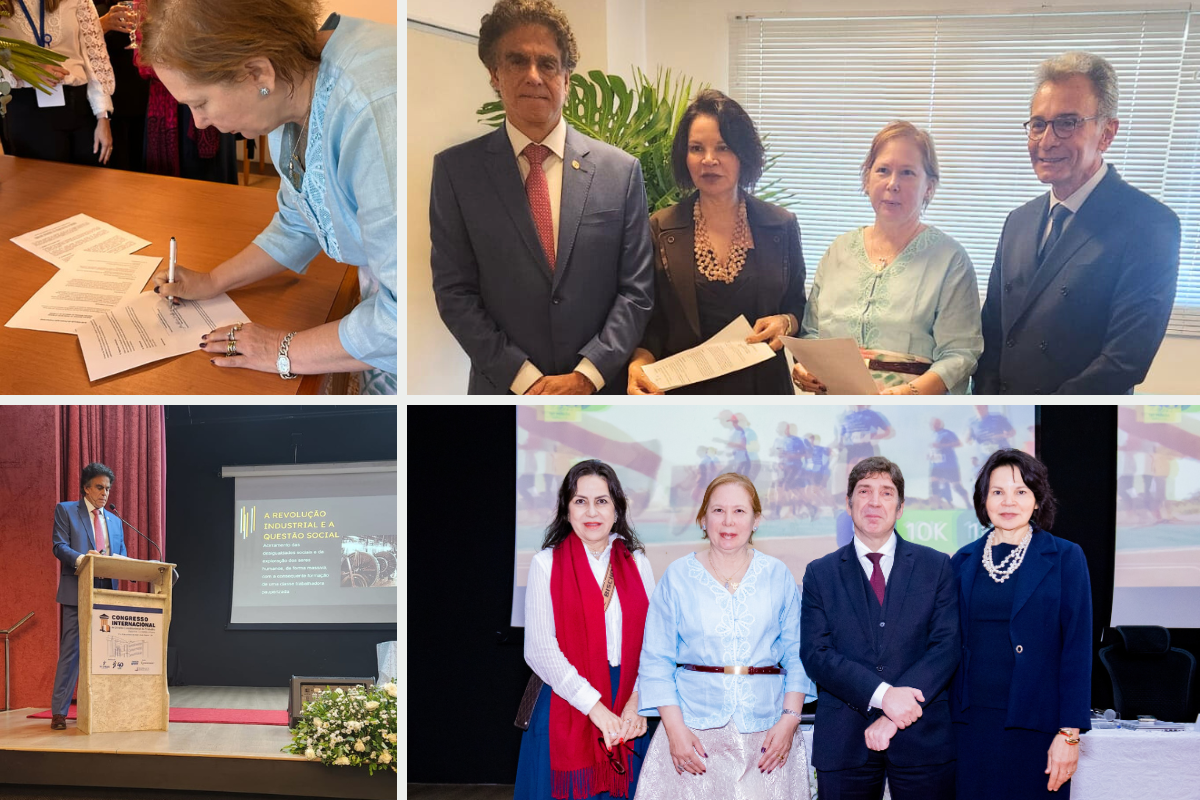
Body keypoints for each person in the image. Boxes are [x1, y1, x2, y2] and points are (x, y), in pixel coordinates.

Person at [139, 0, 397, 394]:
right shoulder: (289, 91)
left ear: (258, 71)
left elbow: (402, 317)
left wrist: (281, 348)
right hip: (381, 302)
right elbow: (299, 220)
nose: (199, 122)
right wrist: (212, 281)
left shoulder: (369, 107)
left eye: (200, 102)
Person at [430, 0, 653, 395]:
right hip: (503, 390)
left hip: (602, 391)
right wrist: (524, 379)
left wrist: (588, 375)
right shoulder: (456, 173)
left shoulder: (621, 172)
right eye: (517, 61)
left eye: (548, 64)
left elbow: (636, 290)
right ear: (495, 74)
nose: (534, 76)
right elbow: (455, 293)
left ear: (567, 78)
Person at [974, 52, 1180, 395]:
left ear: (1107, 133)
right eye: (1038, 124)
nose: (1047, 140)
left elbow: (1126, 359)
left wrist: (1040, 416)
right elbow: (993, 331)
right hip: (1004, 420)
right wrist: (990, 405)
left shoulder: (1150, 225)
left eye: (1067, 123)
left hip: (1080, 426)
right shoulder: (1018, 222)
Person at [636, 473, 815, 799]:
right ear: (702, 519)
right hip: (692, 735)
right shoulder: (677, 577)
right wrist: (675, 731)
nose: (728, 521)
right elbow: (656, 659)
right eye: (717, 511)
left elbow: (798, 654)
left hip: (768, 735)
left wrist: (789, 722)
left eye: (739, 511)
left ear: (756, 519)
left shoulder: (778, 575)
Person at [799, 457, 960, 800]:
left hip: (923, 739)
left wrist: (897, 710)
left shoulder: (937, 566)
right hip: (844, 742)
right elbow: (816, 653)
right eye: (864, 491)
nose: (874, 502)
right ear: (849, 503)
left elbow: (946, 647)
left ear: (900, 508)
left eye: (886, 493)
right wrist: (884, 696)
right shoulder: (819, 573)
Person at [627, 89, 805, 395]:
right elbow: (651, 323)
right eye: (697, 148)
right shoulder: (661, 227)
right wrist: (637, 364)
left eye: (723, 147)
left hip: (763, 391)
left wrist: (787, 322)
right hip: (684, 394)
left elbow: (796, 305)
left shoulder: (780, 225)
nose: (709, 160)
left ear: (743, 154)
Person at [792, 121, 981, 395]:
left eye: (907, 173)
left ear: (929, 186)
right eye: (883, 170)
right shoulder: (839, 250)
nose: (893, 184)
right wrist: (803, 367)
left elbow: (960, 353)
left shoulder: (950, 260)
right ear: (867, 179)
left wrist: (911, 393)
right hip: (830, 407)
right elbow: (811, 333)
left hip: (910, 413)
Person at [950, 449, 1092, 797]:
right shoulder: (962, 561)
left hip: (1038, 730)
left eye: (1021, 491)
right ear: (983, 501)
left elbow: (1077, 649)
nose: (1008, 501)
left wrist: (1069, 734)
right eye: (997, 492)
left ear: (1038, 499)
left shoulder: (1065, 557)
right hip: (969, 729)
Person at [515, 459, 655, 799]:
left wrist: (637, 700)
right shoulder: (545, 564)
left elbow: (655, 641)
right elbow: (539, 649)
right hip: (568, 701)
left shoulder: (638, 561)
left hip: (628, 705)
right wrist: (595, 708)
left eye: (602, 501)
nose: (591, 511)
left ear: (617, 508)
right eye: (580, 501)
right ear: (566, 510)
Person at [49, 462, 127, 730]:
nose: (105, 493)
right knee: (71, 653)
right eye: (99, 487)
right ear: (86, 487)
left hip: (107, 595)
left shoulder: (116, 521)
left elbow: (122, 556)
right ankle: (59, 712)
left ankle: (101, 708)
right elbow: (59, 546)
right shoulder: (67, 510)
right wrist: (83, 558)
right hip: (78, 591)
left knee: (107, 654)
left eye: (108, 488)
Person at [0, 0, 114, 165]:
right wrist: (28, 69)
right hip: (28, 112)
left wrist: (103, 116)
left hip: (82, 108)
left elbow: (95, 56)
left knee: (92, 186)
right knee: (44, 186)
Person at [928, 418, 969, 510]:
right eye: (933, 424)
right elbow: (935, 449)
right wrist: (930, 455)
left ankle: (968, 503)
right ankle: (938, 506)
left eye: (937, 423)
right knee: (934, 484)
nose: (935, 425)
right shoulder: (933, 435)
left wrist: (942, 446)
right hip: (936, 465)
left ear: (941, 424)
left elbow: (959, 443)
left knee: (956, 486)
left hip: (950, 465)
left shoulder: (947, 433)